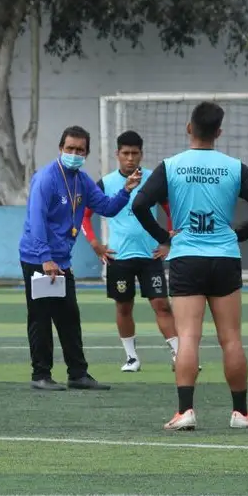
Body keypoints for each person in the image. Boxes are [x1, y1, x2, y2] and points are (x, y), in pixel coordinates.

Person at [132, 101, 248, 431]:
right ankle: (241, 413)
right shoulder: (233, 166)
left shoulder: (171, 166)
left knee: (188, 338)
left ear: (189, 128)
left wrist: (163, 236)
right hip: (225, 257)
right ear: (219, 133)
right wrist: (241, 234)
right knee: (231, 339)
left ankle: (185, 412)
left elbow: (140, 203)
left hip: (186, 257)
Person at [19, 125, 142, 391]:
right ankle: (40, 375)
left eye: (80, 150)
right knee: (41, 317)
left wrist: (127, 190)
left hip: (61, 260)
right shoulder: (46, 178)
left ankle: (78, 374)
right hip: (38, 258)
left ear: (86, 153)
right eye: (70, 148)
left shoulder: (82, 180)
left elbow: (106, 208)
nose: (74, 153)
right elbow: (37, 220)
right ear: (61, 149)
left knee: (69, 316)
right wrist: (45, 258)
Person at [81, 130, 182, 373]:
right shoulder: (105, 183)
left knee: (161, 304)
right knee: (123, 307)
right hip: (119, 257)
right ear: (117, 154)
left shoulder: (154, 179)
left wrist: (168, 242)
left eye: (134, 153)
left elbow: (173, 210)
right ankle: (131, 358)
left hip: (150, 256)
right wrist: (95, 243)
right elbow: (84, 215)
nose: (130, 158)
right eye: (125, 153)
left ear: (141, 154)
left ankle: (180, 355)